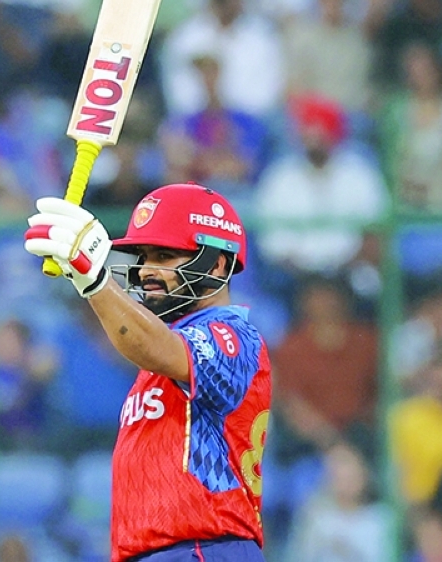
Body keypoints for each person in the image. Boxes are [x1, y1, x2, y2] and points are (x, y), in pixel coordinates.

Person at [24, 183, 272, 561]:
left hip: (202, 548)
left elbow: (154, 346)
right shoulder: (165, 344)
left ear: (218, 264)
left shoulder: (231, 334)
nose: (147, 270)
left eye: (165, 256)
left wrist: (93, 279)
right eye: (144, 256)